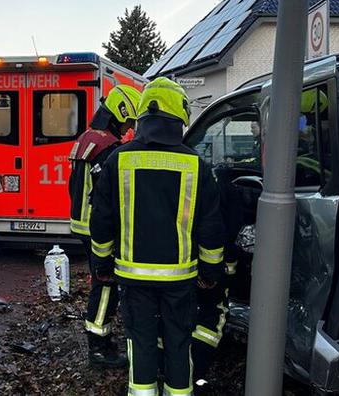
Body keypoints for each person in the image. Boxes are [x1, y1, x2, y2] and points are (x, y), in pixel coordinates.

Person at [90, 77, 225, 395]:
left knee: (141, 343)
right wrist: (210, 273)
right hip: (181, 280)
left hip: (133, 279)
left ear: (142, 116)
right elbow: (211, 228)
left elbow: (101, 221)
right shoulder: (196, 165)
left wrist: (102, 264)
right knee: (179, 343)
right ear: (180, 116)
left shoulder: (118, 160)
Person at [68, 85, 140, 369]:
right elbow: (107, 195)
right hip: (94, 226)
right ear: (120, 113)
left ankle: (100, 340)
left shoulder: (88, 138)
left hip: (81, 221)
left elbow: (76, 187)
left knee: (102, 282)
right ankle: (99, 347)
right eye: (128, 122)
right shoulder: (108, 147)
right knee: (106, 284)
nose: (128, 129)